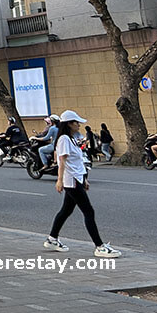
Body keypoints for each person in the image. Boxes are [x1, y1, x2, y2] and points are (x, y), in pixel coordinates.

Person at [44, 110, 121, 258]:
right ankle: (99, 246)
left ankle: (52, 238)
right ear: (69, 124)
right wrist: (59, 180)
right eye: (76, 122)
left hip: (77, 178)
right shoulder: (64, 139)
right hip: (71, 180)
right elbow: (62, 161)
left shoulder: (71, 139)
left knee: (66, 211)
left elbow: (77, 161)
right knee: (88, 211)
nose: (79, 125)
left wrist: (84, 179)